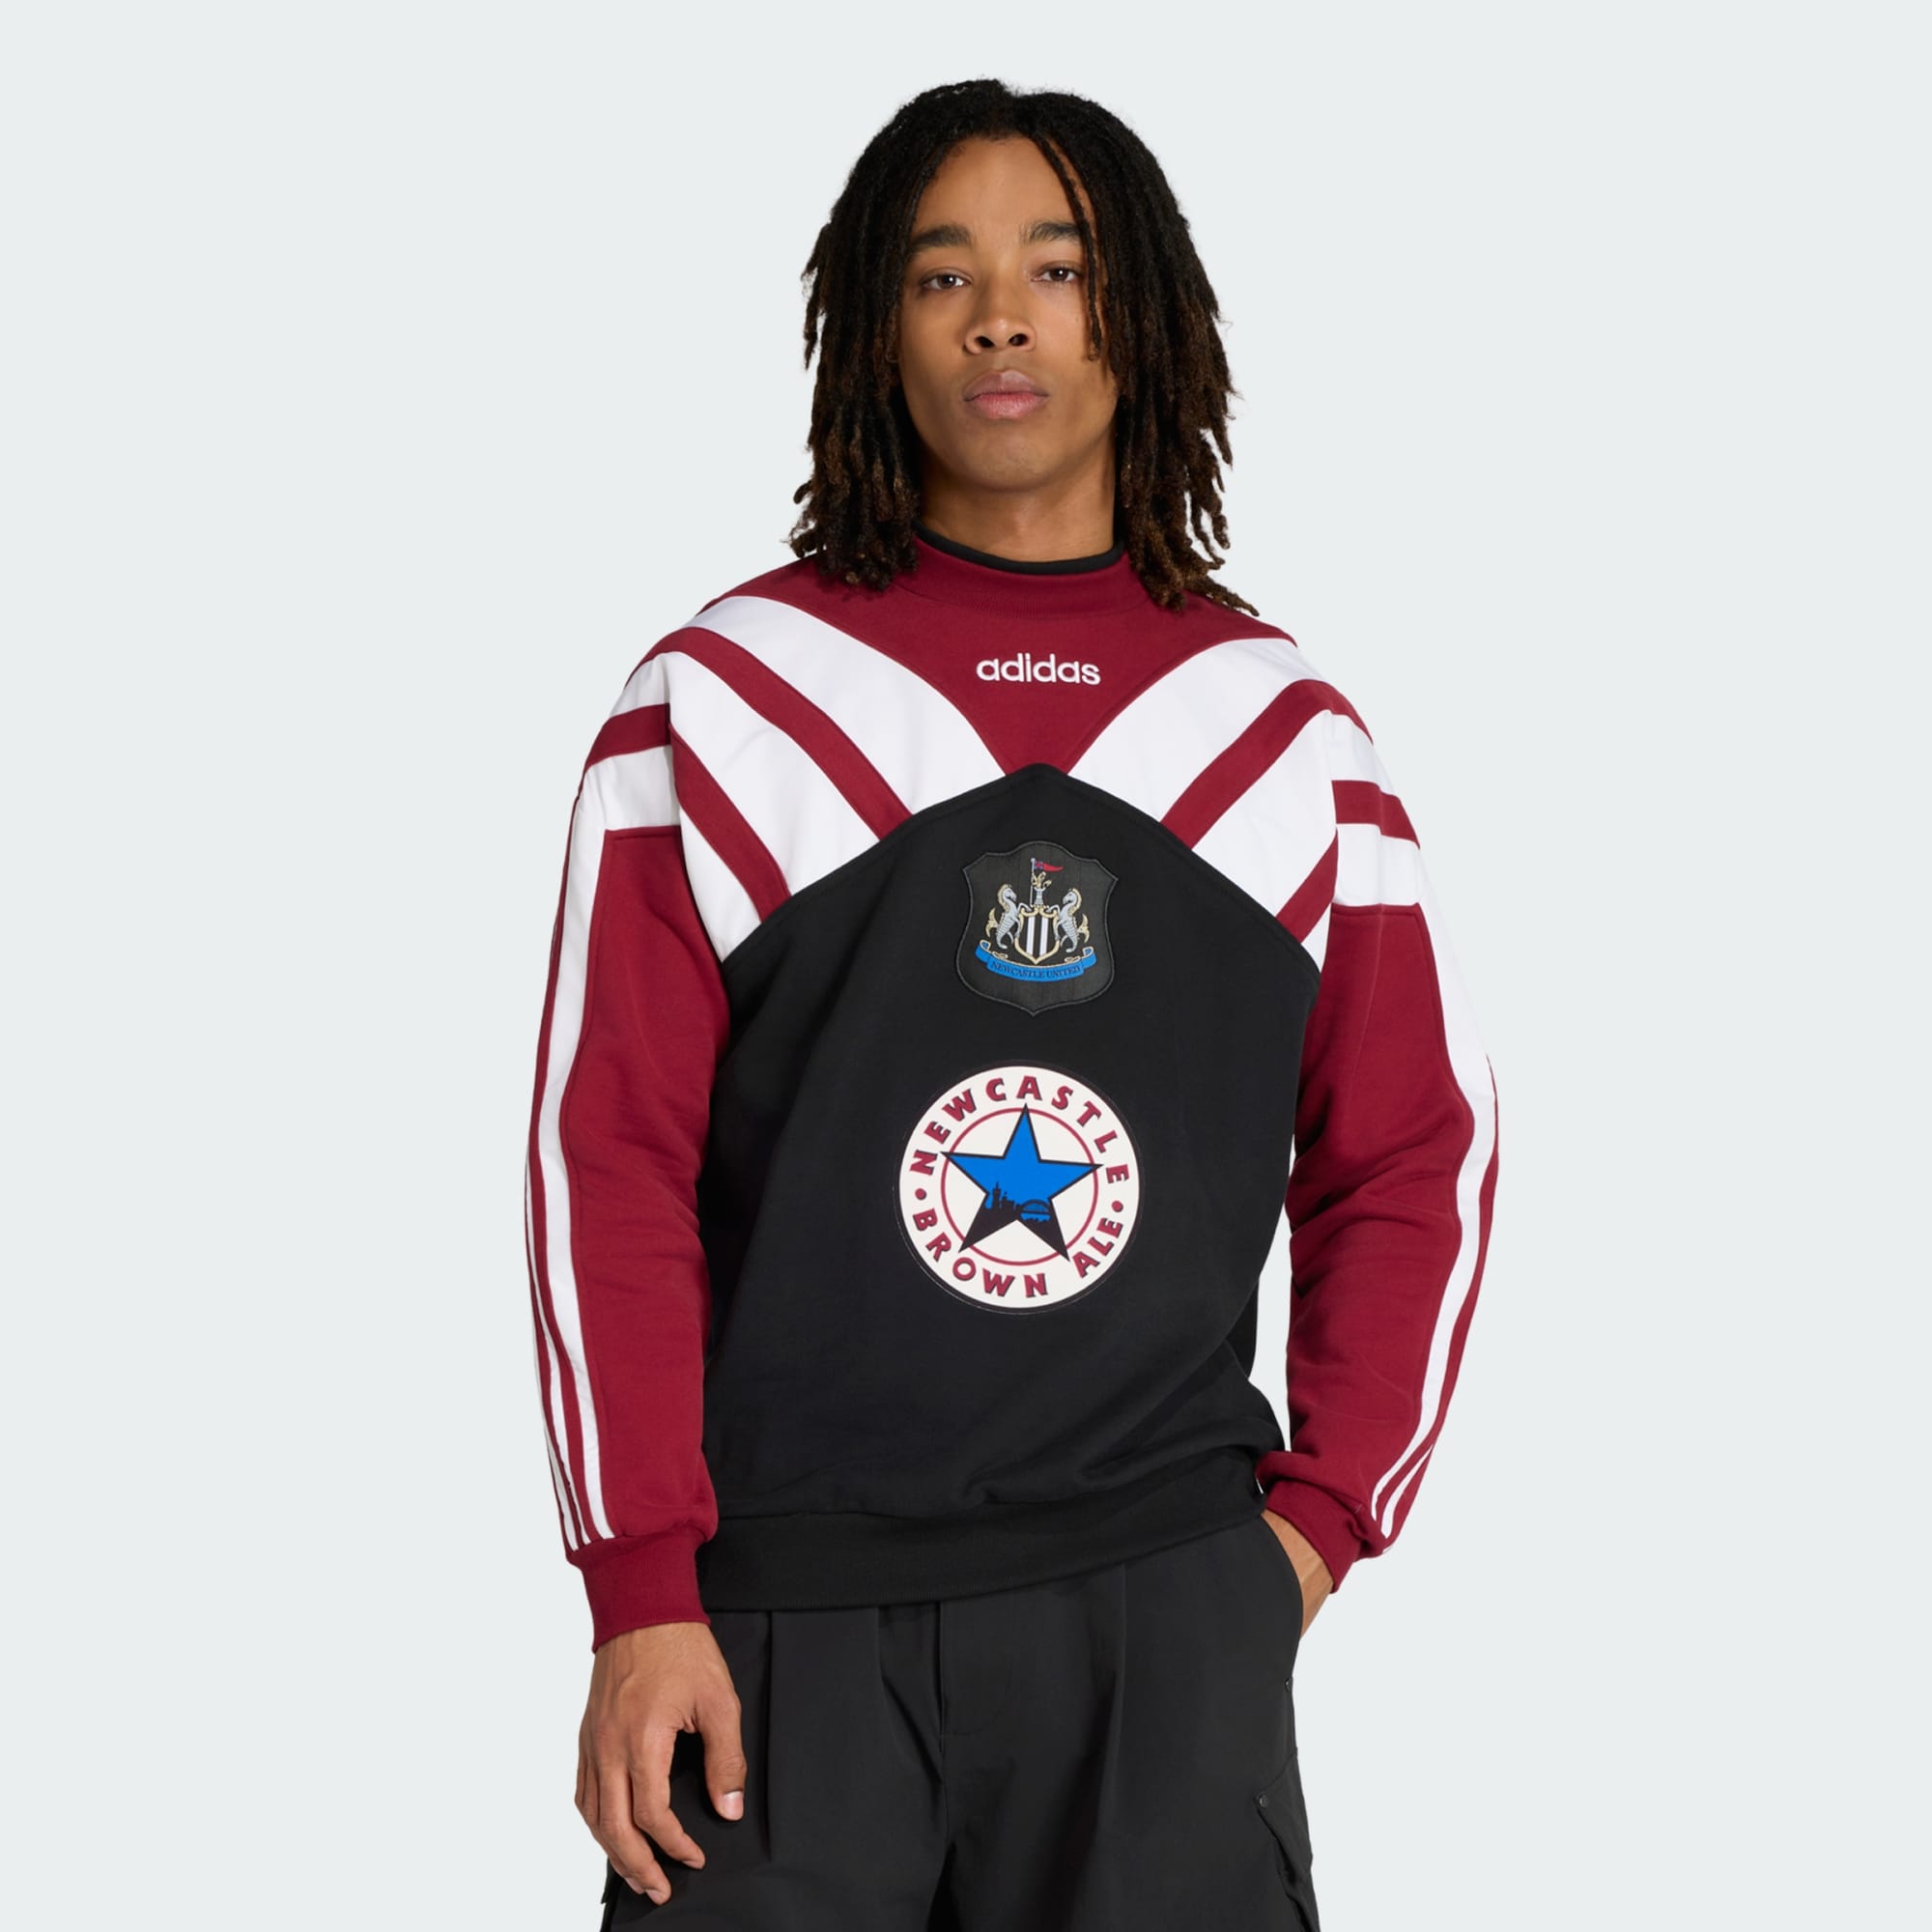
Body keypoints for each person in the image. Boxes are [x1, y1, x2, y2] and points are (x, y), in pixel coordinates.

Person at [523, 78, 1499, 1931]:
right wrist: (640, 1587)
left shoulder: (1283, 735)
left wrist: (1305, 1539)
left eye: (1056, 267)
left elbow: (1411, 1157)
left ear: (1146, 313)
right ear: (870, 329)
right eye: (939, 274)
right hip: (774, 1624)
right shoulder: (719, 702)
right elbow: (608, 1161)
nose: (998, 318)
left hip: (1162, 1615)